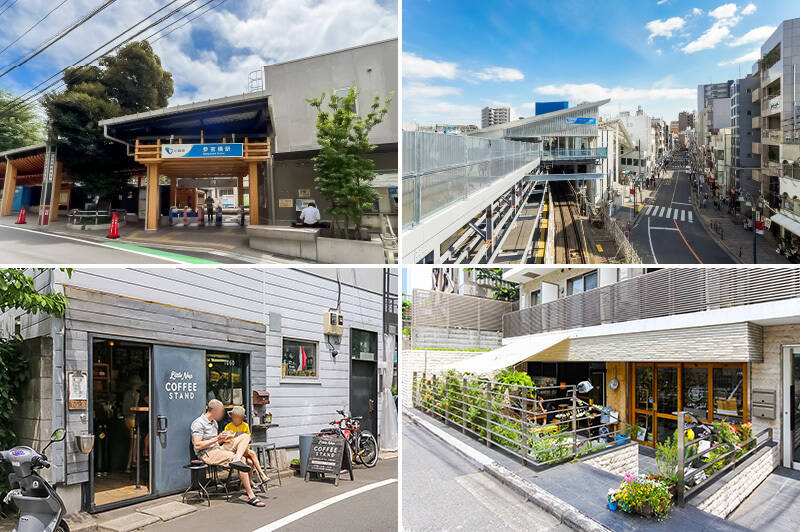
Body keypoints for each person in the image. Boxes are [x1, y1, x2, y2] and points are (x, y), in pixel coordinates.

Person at [191, 399, 265, 507]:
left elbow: (217, 441)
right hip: (207, 453)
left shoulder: (214, 422)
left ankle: (237, 458)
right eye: (221, 411)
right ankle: (251, 495)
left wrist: (223, 438)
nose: (223, 413)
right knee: (243, 460)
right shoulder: (198, 423)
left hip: (218, 448)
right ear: (215, 410)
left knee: (245, 436)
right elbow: (197, 445)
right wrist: (217, 438)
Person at [224, 406, 268, 487]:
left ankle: (250, 480)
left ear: (241, 418)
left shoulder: (245, 426)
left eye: (237, 417)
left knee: (251, 462)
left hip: (245, 449)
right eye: (234, 416)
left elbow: (249, 438)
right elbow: (226, 441)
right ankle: (262, 475)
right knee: (252, 453)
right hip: (235, 450)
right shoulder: (228, 426)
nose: (235, 418)